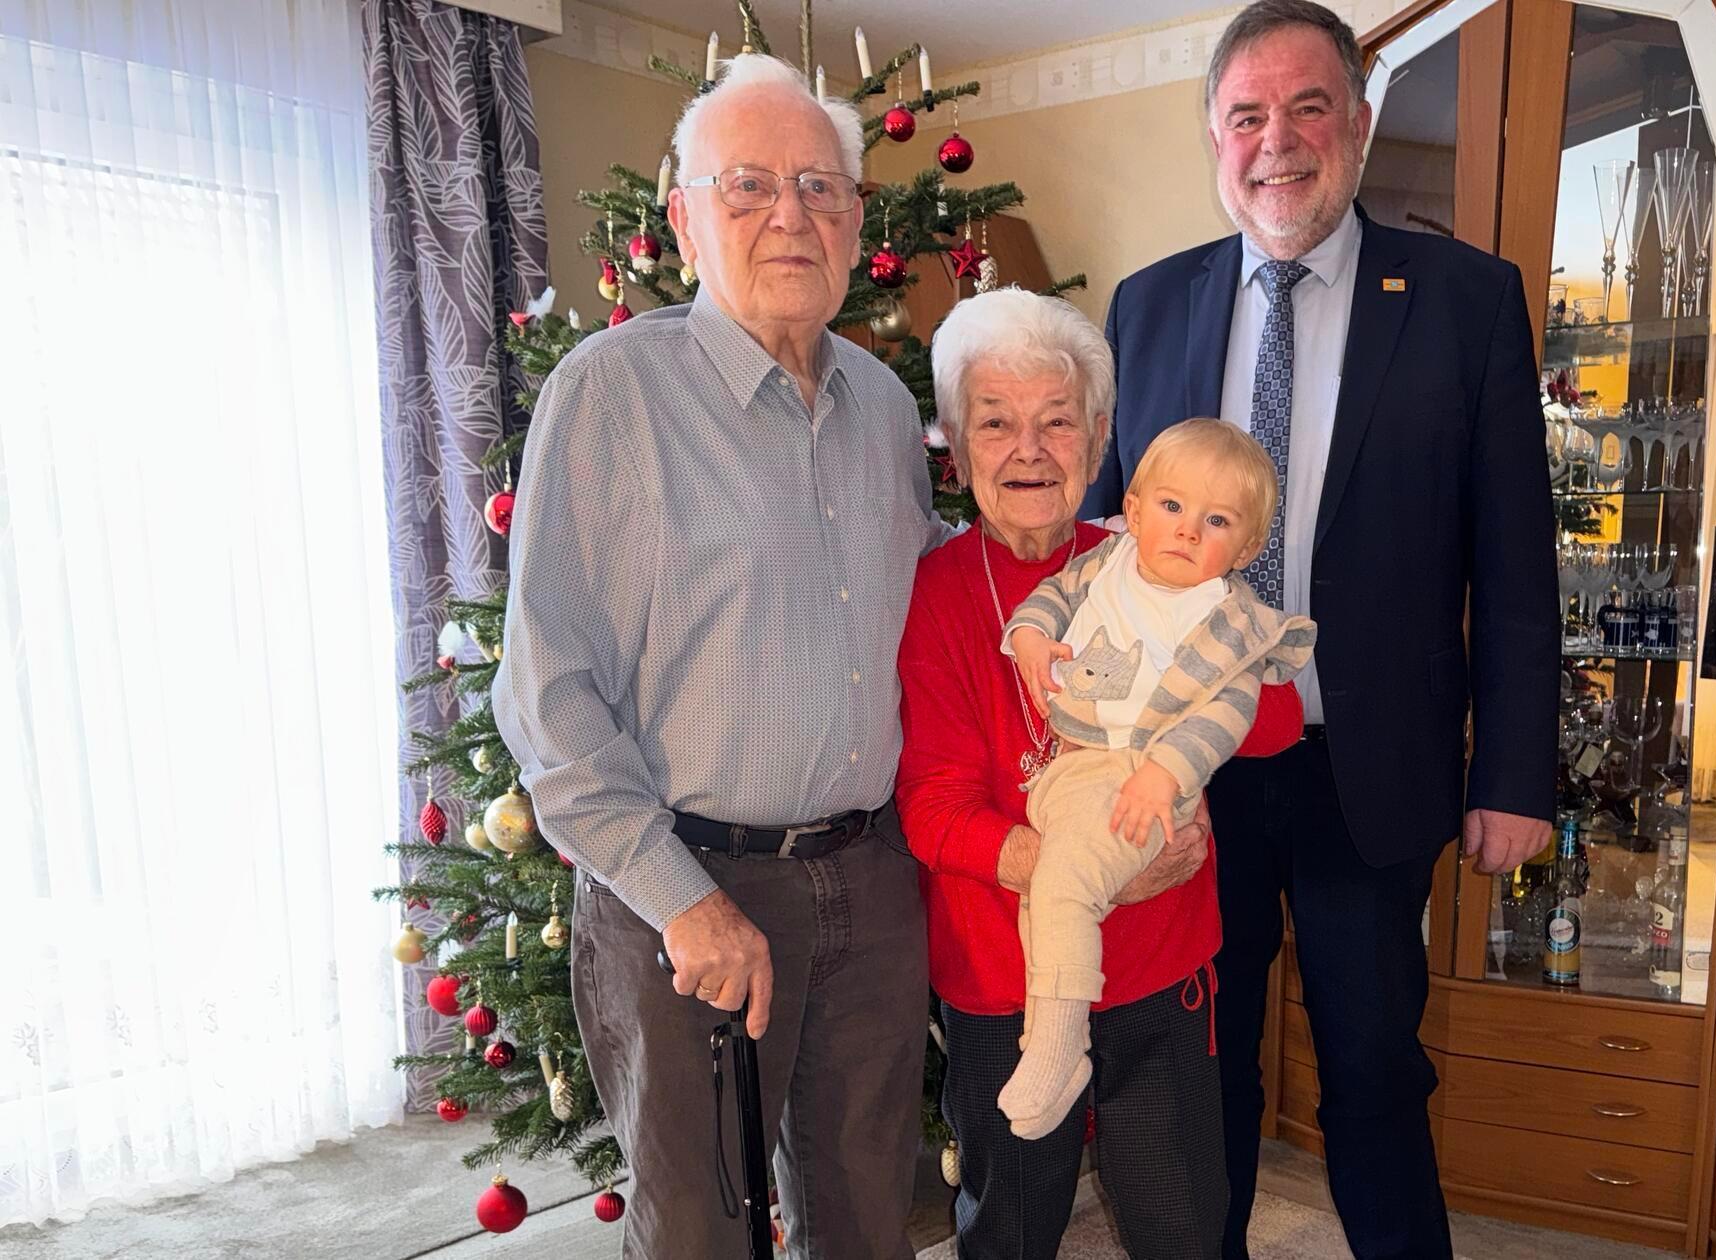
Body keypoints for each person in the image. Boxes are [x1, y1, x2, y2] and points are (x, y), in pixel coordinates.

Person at [1085, 3, 1559, 1256]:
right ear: (1212, 139)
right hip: (1189, 781)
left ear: (1355, 124)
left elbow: (1515, 564)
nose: (1276, 143)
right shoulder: (1146, 306)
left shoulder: (1464, 300)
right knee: (1202, 1070)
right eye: (1246, 116)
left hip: (1372, 771)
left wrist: (1513, 774)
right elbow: (1106, 543)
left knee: (1371, 1072)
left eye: (1306, 108)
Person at [491, 55, 944, 1259]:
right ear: (683, 216)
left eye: (819, 186)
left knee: (866, 1217)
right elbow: (547, 691)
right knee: (700, 1233)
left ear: (856, 218)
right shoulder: (610, 395)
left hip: (872, 881)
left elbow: (930, 615)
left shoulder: (886, 408)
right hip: (685, 894)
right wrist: (684, 904)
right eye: (745, 185)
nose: (788, 214)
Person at [896, 288, 1303, 1259]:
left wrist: (1206, 628)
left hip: (1160, 961)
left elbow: (1276, 719)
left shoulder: (1151, 558)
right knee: (1012, 1225)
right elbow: (934, 812)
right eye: (995, 423)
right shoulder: (940, 594)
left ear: (1100, 435)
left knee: (1179, 1222)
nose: (1028, 449)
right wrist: (1087, 865)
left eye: (1056, 420)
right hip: (1001, 976)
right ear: (954, 444)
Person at [997, 418, 1315, 1136]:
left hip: (1143, 780)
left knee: (1065, 884)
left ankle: (1058, 1046)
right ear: (1134, 511)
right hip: (1074, 768)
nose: (1186, 531)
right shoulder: (1105, 564)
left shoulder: (1231, 620)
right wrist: (1029, 637)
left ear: (1249, 547)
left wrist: (1165, 776)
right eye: (1171, 508)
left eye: (1217, 521)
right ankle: (1049, 1046)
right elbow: (1049, 598)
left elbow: (1226, 716)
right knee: (1043, 901)